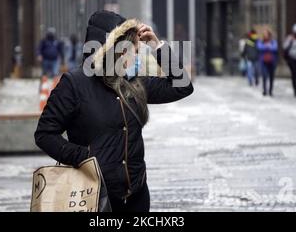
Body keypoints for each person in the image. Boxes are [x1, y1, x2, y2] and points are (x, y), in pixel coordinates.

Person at [34, 11, 194, 212]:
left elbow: (182, 86)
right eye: (133, 50)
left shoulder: (133, 83)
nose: (136, 57)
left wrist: (157, 46)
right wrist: (85, 157)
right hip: (94, 197)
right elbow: (45, 134)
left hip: (136, 196)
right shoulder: (74, 84)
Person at [257, 28, 278, 97]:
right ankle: (264, 90)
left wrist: (267, 47)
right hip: (263, 61)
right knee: (264, 75)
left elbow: (275, 48)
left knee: (271, 76)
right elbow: (259, 47)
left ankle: (271, 90)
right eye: (264, 34)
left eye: (266, 34)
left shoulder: (273, 41)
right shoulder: (261, 41)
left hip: (272, 61)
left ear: (269, 34)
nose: (265, 35)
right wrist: (268, 46)